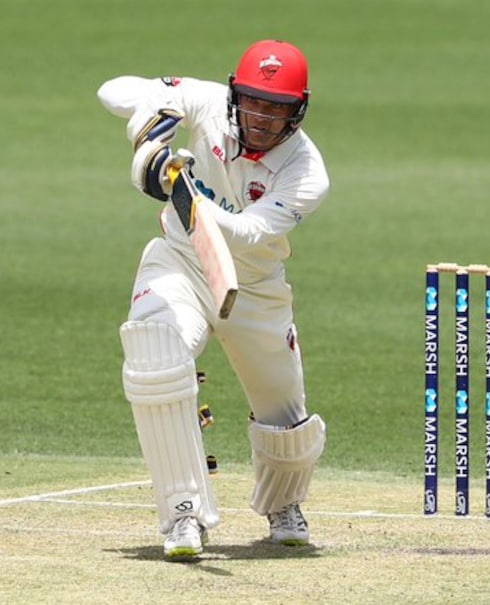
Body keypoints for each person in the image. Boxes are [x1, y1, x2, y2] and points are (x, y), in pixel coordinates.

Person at [97, 39, 330, 560]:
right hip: (181, 263)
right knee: (155, 354)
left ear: (299, 110)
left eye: (278, 108)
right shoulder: (204, 102)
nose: (263, 117)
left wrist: (180, 188)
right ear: (234, 93)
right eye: (253, 102)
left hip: (254, 286)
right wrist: (149, 129)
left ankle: (284, 505)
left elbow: (246, 233)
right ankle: (183, 513)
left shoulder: (307, 172)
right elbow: (113, 90)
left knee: (283, 415)